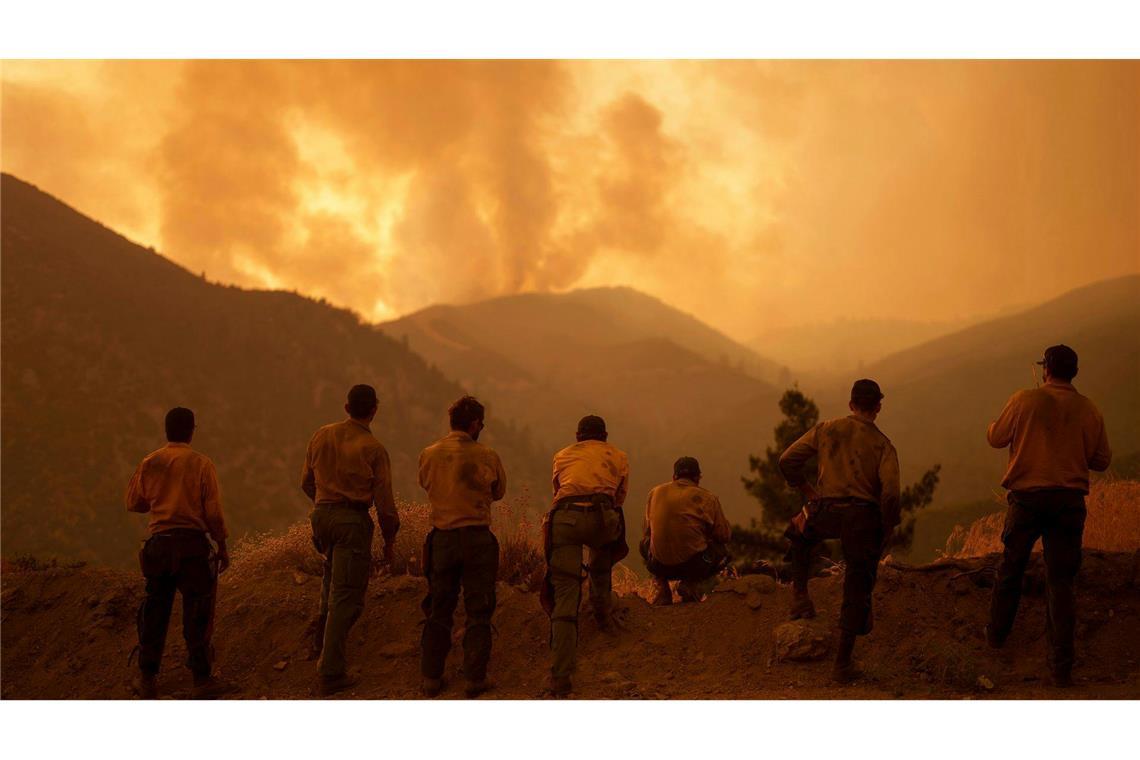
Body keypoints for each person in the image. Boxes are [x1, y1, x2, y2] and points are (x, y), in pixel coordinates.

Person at [985, 344, 1112, 687]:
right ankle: (1061, 667)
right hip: (1069, 501)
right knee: (1061, 581)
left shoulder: (1024, 400)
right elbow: (1101, 461)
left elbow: (996, 438)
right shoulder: (1088, 409)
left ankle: (995, 640)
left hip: (1027, 499)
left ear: (1046, 370)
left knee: (1012, 567)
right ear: (1074, 372)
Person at [778, 379, 901, 683]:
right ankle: (842, 664)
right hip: (862, 516)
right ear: (878, 407)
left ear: (850, 405)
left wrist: (808, 490)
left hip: (827, 509)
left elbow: (787, 460)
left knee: (799, 532)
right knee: (857, 581)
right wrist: (885, 528)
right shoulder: (883, 444)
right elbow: (890, 495)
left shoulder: (826, 428)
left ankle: (800, 597)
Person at [126, 407, 239, 699]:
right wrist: (222, 544)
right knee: (197, 613)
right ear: (191, 430)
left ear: (166, 430)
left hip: (160, 545)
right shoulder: (201, 464)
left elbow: (134, 503)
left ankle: (147, 678)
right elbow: (213, 513)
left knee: (155, 612)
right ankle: (201, 679)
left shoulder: (151, 461)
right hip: (192, 547)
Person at [301, 384, 400, 696]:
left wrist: (324, 505)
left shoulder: (321, 435)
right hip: (351, 521)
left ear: (346, 407)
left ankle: (320, 645)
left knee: (331, 580)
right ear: (374, 410)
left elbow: (306, 482)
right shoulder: (373, 449)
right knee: (348, 597)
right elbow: (385, 505)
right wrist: (389, 540)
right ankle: (331, 670)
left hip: (321, 516)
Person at [418, 396, 507, 698]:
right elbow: (499, 492)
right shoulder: (487, 455)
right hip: (477, 540)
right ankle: (475, 679)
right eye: (481, 424)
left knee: (438, 609)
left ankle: (431, 678)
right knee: (478, 611)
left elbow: (425, 484)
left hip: (441, 538)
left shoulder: (429, 454)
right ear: (474, 424)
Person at [542, 414, 630, 697]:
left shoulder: (562, 455)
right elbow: (619, 498)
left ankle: (560, 676)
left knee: (566, 597)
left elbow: (557, 491)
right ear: (604, 436)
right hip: (602, 516)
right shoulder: (617, 455)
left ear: (578, 437)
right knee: (601, 565)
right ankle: (602, 611)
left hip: (565, 519)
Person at [640, 456, 731, 605]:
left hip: (659, 564)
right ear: (697, 477)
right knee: (722, 551)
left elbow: (647, 532)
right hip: (693, 565)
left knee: (644, 544)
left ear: (674, 476)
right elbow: (724, 535)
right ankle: (690, 583)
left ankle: (662, 588)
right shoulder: (708, 498)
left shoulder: (654, 493)